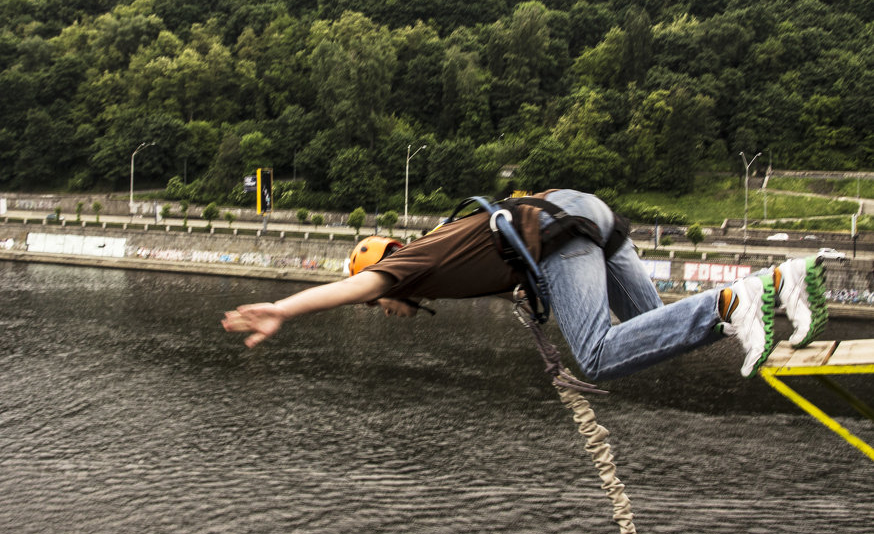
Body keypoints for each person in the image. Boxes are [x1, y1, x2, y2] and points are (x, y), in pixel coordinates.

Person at [222, 189, 828, 381]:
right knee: (652, 329)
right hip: (585, 215)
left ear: (385, 277)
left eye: (378, 300)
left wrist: (281, 308)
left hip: (563, 232)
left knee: (595, 355)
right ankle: (783, 285)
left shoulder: (409, 265)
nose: (382, 307)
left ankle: (734, 300)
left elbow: (344, 290)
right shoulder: (441, 248)